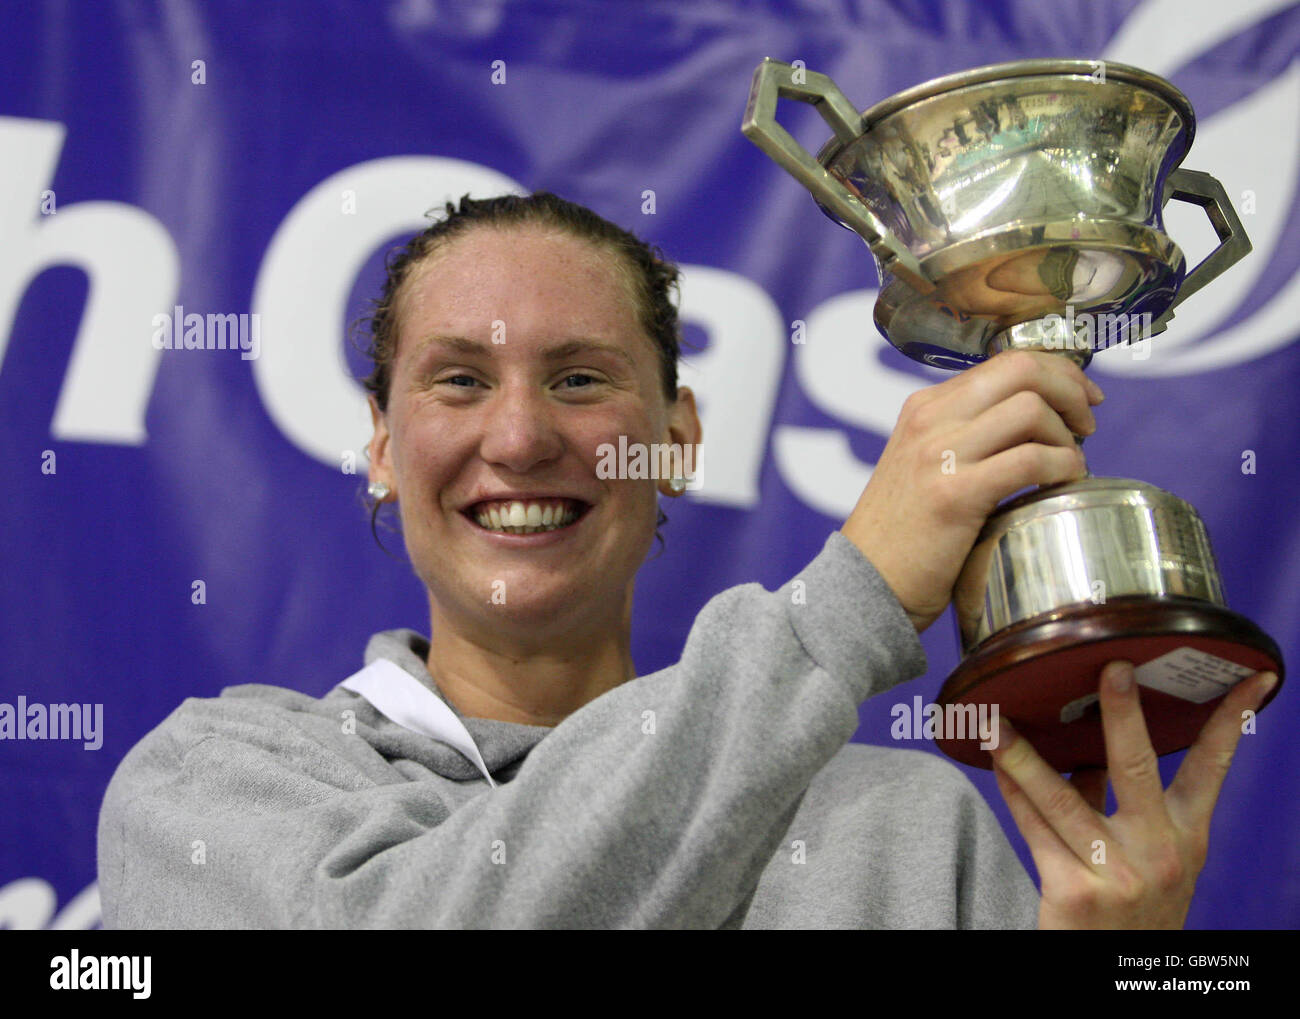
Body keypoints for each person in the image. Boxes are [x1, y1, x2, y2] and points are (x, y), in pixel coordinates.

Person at [97, 191, 1276, 929]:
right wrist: (852, 594)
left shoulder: (908, 828)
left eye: (580, 378)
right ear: (380, 447)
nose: (518, 437)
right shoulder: (213, 787)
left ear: (678, 440)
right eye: (458, 379)